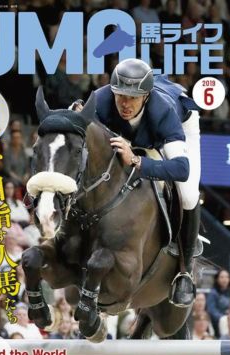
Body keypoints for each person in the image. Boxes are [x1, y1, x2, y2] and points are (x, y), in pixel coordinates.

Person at [73, 58, 201, 307]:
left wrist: (136, 161)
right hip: (130, 136)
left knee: (187, 194)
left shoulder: (163, 112)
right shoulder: (99, 100)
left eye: (133, 98)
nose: (125, 104)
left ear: (146, 96)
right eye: (120, 95)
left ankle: (185, 270)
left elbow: (181, 169)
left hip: (178, 126)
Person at [206, 269, 230, 337]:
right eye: (222, 277)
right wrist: (224, 317)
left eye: (227, 277)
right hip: (218, 322)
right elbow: (212, 310)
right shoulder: (213, 293)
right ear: (217, 279)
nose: (225, 279)